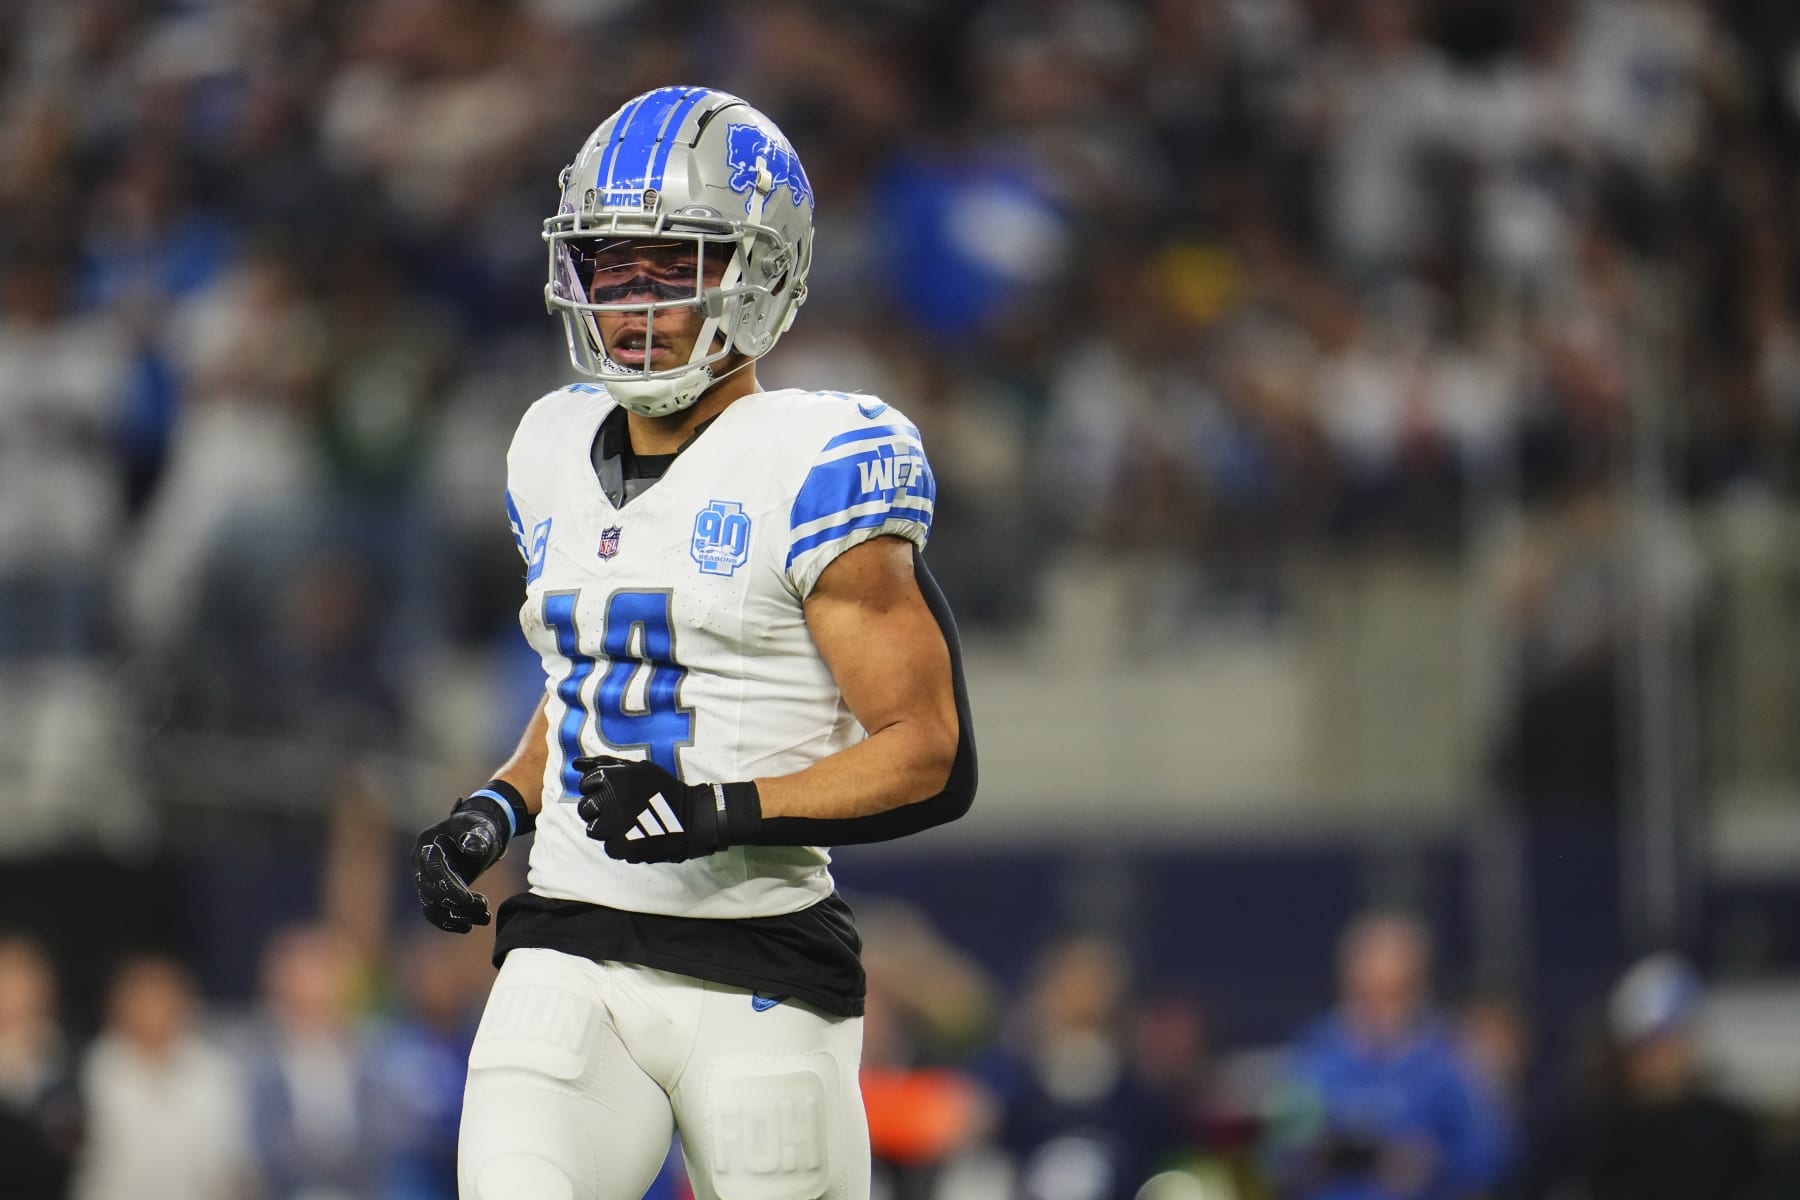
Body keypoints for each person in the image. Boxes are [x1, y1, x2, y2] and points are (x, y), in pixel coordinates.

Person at [409, 85, 975, 1200]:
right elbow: (592, 678)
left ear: (762, 274)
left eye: (672, 267)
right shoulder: (548, 443)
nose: (632, 301)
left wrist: (722, 810)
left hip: (754, 955)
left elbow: (929, 750)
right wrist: (503, 804)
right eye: (610, 266)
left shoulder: (816, 459)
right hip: (569, 939)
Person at [1265, 911, 1510, 1200]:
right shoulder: (1316, 1055)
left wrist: (1431, 1160)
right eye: (1368, 994)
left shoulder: (1451, 1056)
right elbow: (1276, 1152)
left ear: (1419, 987)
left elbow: (1492, 1153)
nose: (1380, 1014)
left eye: (1394, 995)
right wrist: (1316, 1155)